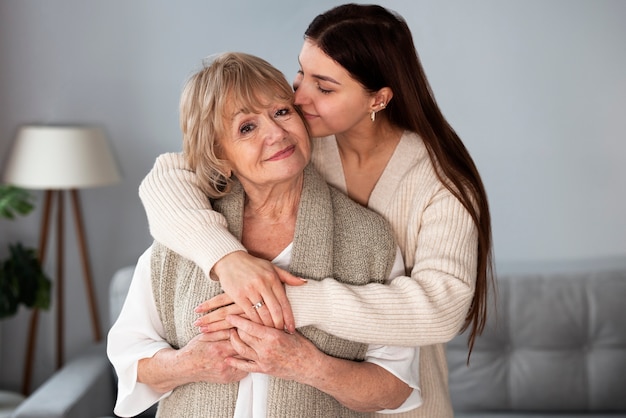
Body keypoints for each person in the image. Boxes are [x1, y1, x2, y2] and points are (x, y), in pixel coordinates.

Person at [137, 4, 494, 417]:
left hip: (403, 403)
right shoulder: (294, 142)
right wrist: (227, 258)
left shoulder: (441, 184)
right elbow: (167, 178)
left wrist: (285, 303)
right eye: (301, 72)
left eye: (324, 88)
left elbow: (441, 309)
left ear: (377, 99)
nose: (298, 96)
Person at [108, 52, 423, 417]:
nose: (276, 133)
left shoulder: (370, 239)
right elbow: (130, 362)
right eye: (247, 127)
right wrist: (190, 364)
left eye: (281, 112)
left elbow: (395, 387)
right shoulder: (182, 233)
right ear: (219, 154)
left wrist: (308, 365)